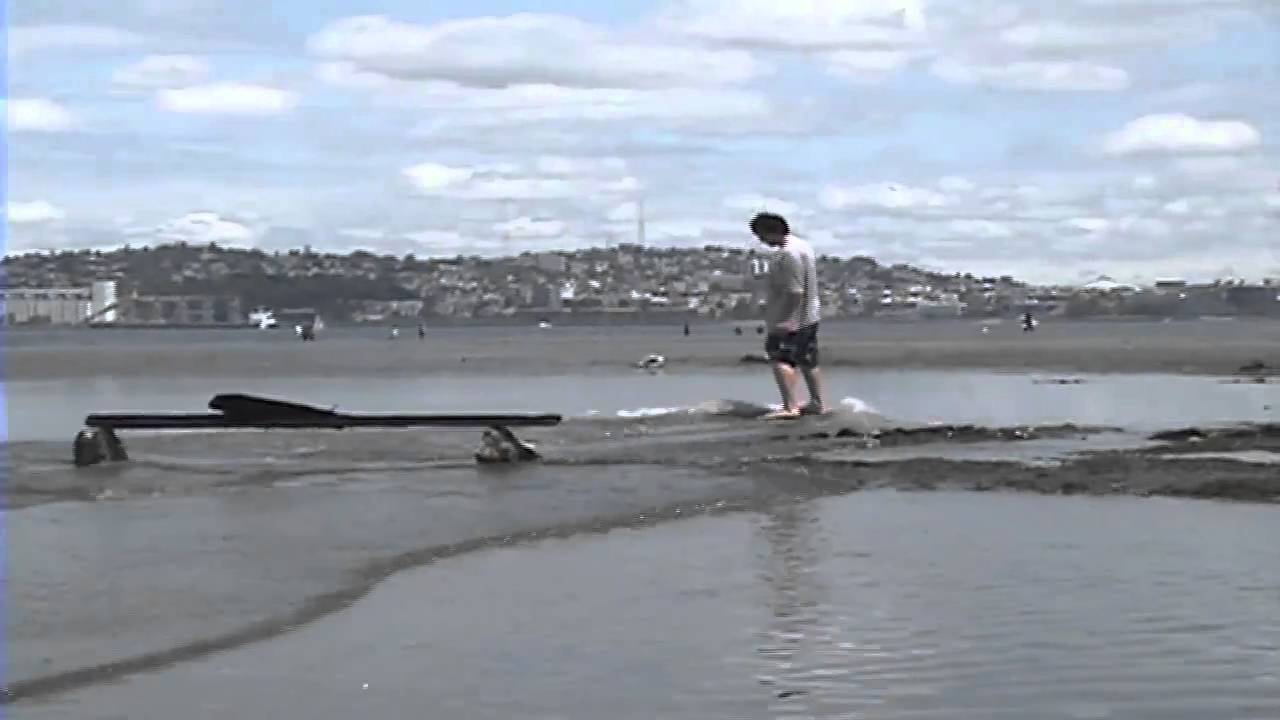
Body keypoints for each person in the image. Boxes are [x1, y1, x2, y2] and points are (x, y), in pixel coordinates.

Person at [750, 211, 828, 419]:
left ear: (771, 232)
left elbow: (794, 291)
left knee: (779, 357)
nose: (761, 241)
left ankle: (790, 406)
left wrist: (786, 320)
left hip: (793, 317)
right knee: (807, 358)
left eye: (761, 235)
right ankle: (817, 402)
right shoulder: (803, 246)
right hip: (810, 314)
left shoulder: (787, 254)